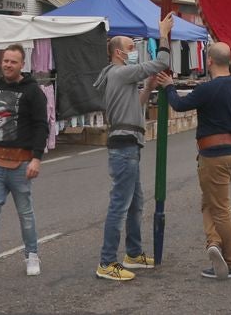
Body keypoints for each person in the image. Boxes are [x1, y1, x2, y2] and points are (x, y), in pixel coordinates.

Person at [91, 15, 174, 281]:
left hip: (129, 146)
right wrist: (163, 35)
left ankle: (133, 253)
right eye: (130, 48)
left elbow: (135, 107)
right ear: (118, 52)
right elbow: (162, 62)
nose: (134, 51)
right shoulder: (119, 72)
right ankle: (106, 262)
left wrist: (149, 86)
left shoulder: (120, 77)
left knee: (135, 203)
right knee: (120, 205)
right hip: (124, 147)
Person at [163, 42, 231, 280]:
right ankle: (214, 244)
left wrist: (170, 86)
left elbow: (179, 104)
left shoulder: (208, 89)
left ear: (209, 61)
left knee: (220, 208)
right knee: (209, 202)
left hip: (214, 155)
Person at [0, 44, 48, 286]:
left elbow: (41, 126)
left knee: (25, 214)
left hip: (22, 163)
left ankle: (31, 255)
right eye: (5, 61)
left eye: (13, 61)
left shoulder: (33, 91)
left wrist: (36, 158)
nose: (8, 65)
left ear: (22, 64)